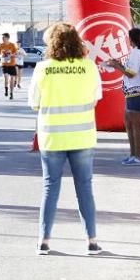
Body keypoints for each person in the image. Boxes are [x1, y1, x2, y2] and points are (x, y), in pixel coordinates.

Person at [29, 22, 103, 256]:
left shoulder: (42, 69)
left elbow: (34, 104)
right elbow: (94, 99)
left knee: (50, 187)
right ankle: (91, 241)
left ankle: (44, 240)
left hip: (52, 137)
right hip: (82, 136)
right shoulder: (89, 67)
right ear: (76, 41)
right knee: (84, 188)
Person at [108, 27, 140, 165]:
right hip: (136, 92)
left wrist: (116, 66)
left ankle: (138, 156)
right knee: (129, 123)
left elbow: (131, 73)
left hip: (136, 92)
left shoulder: (135, 52)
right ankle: (133, 154)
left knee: (135, 126)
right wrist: (121, 65)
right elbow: (133, 71)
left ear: (131, 40)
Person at [0, 33, 19, 100]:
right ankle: (6, 89)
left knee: (11, 79)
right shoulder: (1, 45)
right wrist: (1, 56)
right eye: (2, 38)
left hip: (12, 64)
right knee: (6, 77)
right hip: (4, 64)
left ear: (7, 38)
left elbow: (16, 53)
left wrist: (11, 55)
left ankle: (11, 93)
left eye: (3, 37)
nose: (2, 39)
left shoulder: (12, 45)